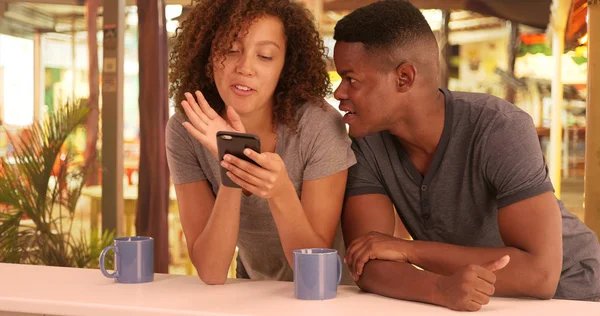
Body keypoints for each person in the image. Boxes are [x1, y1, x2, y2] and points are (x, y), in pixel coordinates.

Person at [333, 0, 600, 311]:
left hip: (573, 291)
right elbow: (367, 262)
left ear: (404, 78)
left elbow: (539, 275)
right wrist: (439, 288)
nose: (339, 92)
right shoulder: (367, 142)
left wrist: (409, 251)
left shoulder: (499, 128)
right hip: (472, 297)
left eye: (351, 79)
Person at [165, 0, 355, 285]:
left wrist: (279, 191)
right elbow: (212, 271)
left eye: (265, 56)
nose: (245, 67)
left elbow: (314, 271)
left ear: (286, 66)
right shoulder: (186, 128)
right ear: (207, 52)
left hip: (333, 295)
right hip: (254, 291)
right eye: (231, 49)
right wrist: (233, 160)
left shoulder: (318, 126)